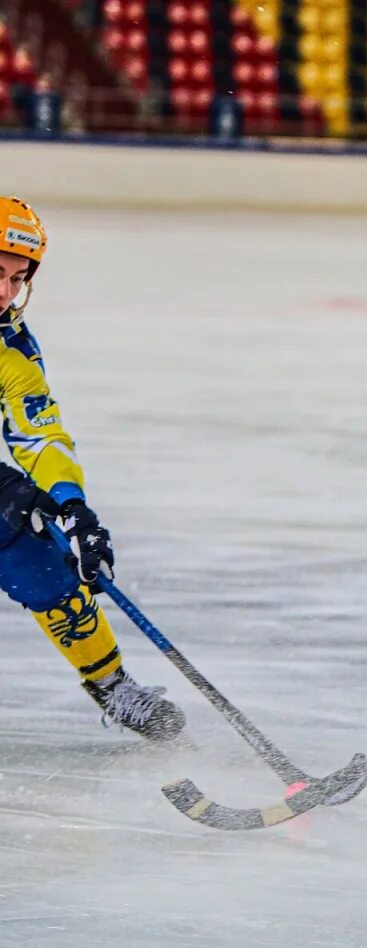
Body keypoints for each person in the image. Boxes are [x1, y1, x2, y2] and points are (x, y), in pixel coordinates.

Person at [0, 197, 184, 741]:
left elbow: (40, 434)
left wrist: (71, 507)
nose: (5, 292)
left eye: (16, 278)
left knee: (42, 554)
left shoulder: (9, 347)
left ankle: (113, 687)